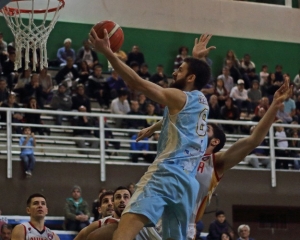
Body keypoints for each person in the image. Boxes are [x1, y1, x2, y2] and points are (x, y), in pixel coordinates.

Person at [89, 30, 214, 240]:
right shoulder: (201, 100)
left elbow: (136, 83)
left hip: (166, 173)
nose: (174, 73)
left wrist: (109, 53)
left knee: (124, 232)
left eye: (180, 70)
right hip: (187, 184)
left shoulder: (178, 96)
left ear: (191, 77)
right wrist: (155, 127)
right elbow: (182, 118)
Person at [135, 78, 292, 240]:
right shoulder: (182, 150)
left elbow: (253, 141)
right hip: (153, 217)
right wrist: (153, 128)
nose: (201, 128)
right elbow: (180, 114)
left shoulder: (216, 162)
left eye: (207, 129)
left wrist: (274, 106)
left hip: (181, 225)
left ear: (215, 141)